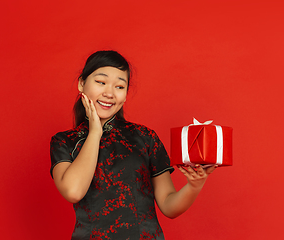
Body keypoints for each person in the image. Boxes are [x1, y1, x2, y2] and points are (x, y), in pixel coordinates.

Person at [50, 50, 217, 239]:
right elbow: (73, 191)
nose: (109, 93)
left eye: (119, 86)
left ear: (126, 94)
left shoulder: (144, 137)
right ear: (82, 83)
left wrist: (194, 185)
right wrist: (95, 132)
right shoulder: (64, 141)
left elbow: (169, 206)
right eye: (101, 82)